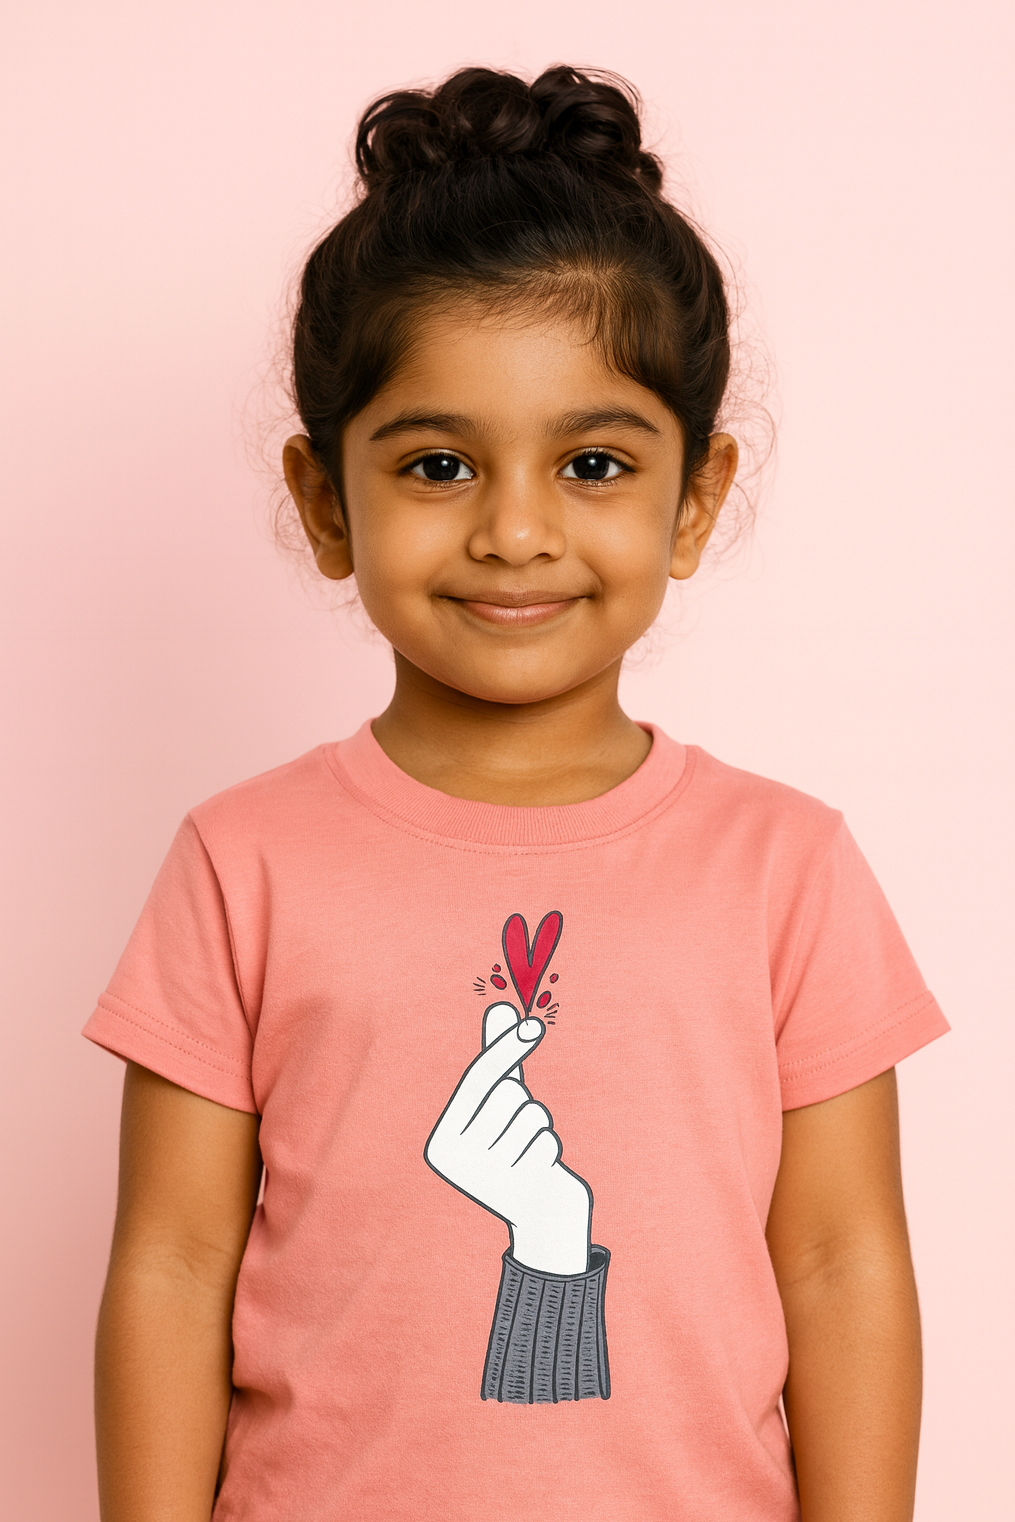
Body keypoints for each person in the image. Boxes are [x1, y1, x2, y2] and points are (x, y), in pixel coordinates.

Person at [86, 65, 948, 1522]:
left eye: (593, 462)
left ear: (692, 499)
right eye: (436, 463)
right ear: (324, 502)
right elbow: (170, 1264)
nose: (514, 530)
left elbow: (841, 1261)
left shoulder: (785, 866)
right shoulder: (242, 861)